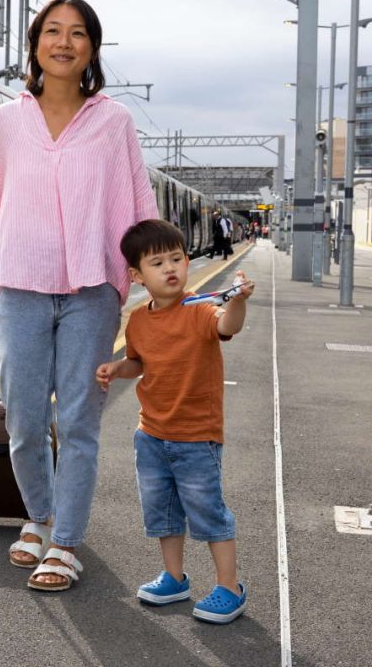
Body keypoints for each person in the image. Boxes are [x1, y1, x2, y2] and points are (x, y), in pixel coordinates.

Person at [0, 0, 159, 592]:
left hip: (91, 289)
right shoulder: (8, 121)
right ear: (34, 46)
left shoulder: (114, 122)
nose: (63, 42)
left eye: (77, 33)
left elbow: (139, 202)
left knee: (78, 420)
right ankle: (40, 516)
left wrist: (148, 280)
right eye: (52, 31)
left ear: (92, 48)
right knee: (26, 421)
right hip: (21, 286)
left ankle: (67, 542)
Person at [95, 218, 254, 623]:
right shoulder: (140, 321)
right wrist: (118, 369)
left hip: (197, 435)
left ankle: (229, 587)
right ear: (136, 276)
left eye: (177, 259)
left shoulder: (200, 308)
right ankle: (173, 576)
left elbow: (227, 325)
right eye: (157, 263)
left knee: (208, 512)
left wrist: (237, 301)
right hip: (150, 434)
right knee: (162, 512)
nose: (171, 269)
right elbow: (138, 364)